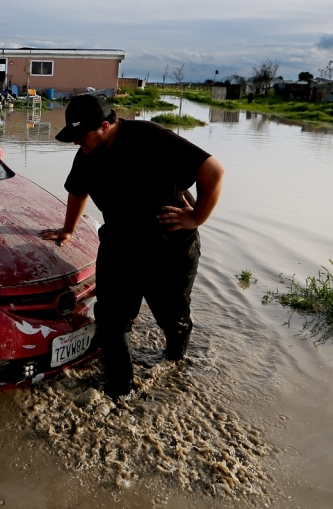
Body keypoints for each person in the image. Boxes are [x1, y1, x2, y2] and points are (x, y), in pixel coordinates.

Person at [40, 94, 225, 399]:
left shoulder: (150, 137)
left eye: (81, 135)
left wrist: (196, 217)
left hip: (168, 246)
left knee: (172, 317)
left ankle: (175, 362)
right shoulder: (88, 152)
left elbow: (213, 171)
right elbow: (77, 190)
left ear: (104, 126)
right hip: (120, 243)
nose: (77, 143)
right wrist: (68, 230)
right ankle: (118, 391)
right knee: (112, 319)